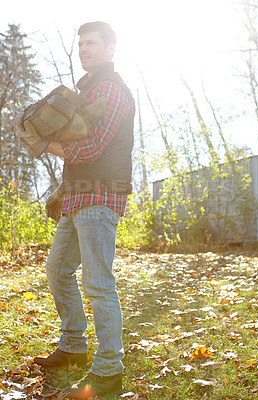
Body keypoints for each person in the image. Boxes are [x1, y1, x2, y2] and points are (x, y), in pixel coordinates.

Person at [33, 21, 135, 398]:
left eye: (91, 43)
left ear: (110, 49)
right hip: (77, 196)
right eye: (81, 44)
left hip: (101, 196)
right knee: (58, 269)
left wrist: (47, 143)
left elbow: (90, 150)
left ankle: (109, 370)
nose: (84, 49)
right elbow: (80, 151)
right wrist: (61, 189)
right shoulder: (89, 92)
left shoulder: (112, 90)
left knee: (98, 284)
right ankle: (74, 346)